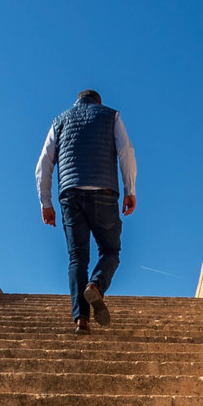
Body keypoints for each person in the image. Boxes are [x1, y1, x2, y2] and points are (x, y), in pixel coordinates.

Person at [35, 88, 137, 332]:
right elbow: (126, 152)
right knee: (110, 250)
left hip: (70, 194)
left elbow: (44, 163)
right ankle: (96, 286)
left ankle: (81, 318)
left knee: (77, 257)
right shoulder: (110, 116)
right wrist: (130, 189)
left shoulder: (59, 121)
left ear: (78, 101)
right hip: (103, 190)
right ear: (98, 102)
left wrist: (45, 203)